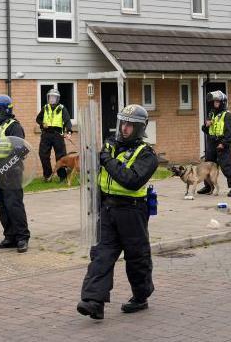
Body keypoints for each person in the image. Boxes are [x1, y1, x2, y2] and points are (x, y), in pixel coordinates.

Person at [77, 104, 158, 320]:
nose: (124, 129)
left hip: (132, 211)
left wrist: (107, 160)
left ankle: (140, 296)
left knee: (137, 256)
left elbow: (131, 180)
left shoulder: (147, 155)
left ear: (140, 129)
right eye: (122, 123)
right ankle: (94, 301)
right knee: (101, 254)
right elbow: (96, 168)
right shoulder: (110, 145)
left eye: (130, 126)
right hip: (108, 209)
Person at [0, 95, 30, 253]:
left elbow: (21, 149)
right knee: (1, 204)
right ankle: (10, 236)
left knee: (14, 204)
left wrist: (5, 166)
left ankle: (22, 237)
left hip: (11, 171)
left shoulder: (14, 126)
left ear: (4, 110)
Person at [199, 91, 231, 197]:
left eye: (217, 101)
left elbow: (229, 132)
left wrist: (224, 143)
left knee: (227, 166)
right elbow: (206, 130)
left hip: (222, 144)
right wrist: (206, 125)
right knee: (208, 166)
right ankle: (208, 186)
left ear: (223, 102)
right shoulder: (212, 113)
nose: (215, 103)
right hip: (212, 143)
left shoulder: (228, 115)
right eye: (214, 101)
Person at [36, 88, 73, 181]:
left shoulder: (62, 108)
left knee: (61, 157)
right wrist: (42, 124)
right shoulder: (45, 108)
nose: (52, 99)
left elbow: (67, 121)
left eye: (54, 97)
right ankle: (47, 176)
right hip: (46, 134)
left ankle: (62, 177)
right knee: (43, 155)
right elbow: (38, 119)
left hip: (57, 135)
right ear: (48, 98)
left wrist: (69, 131)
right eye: (50, 97)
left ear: (57, 99)